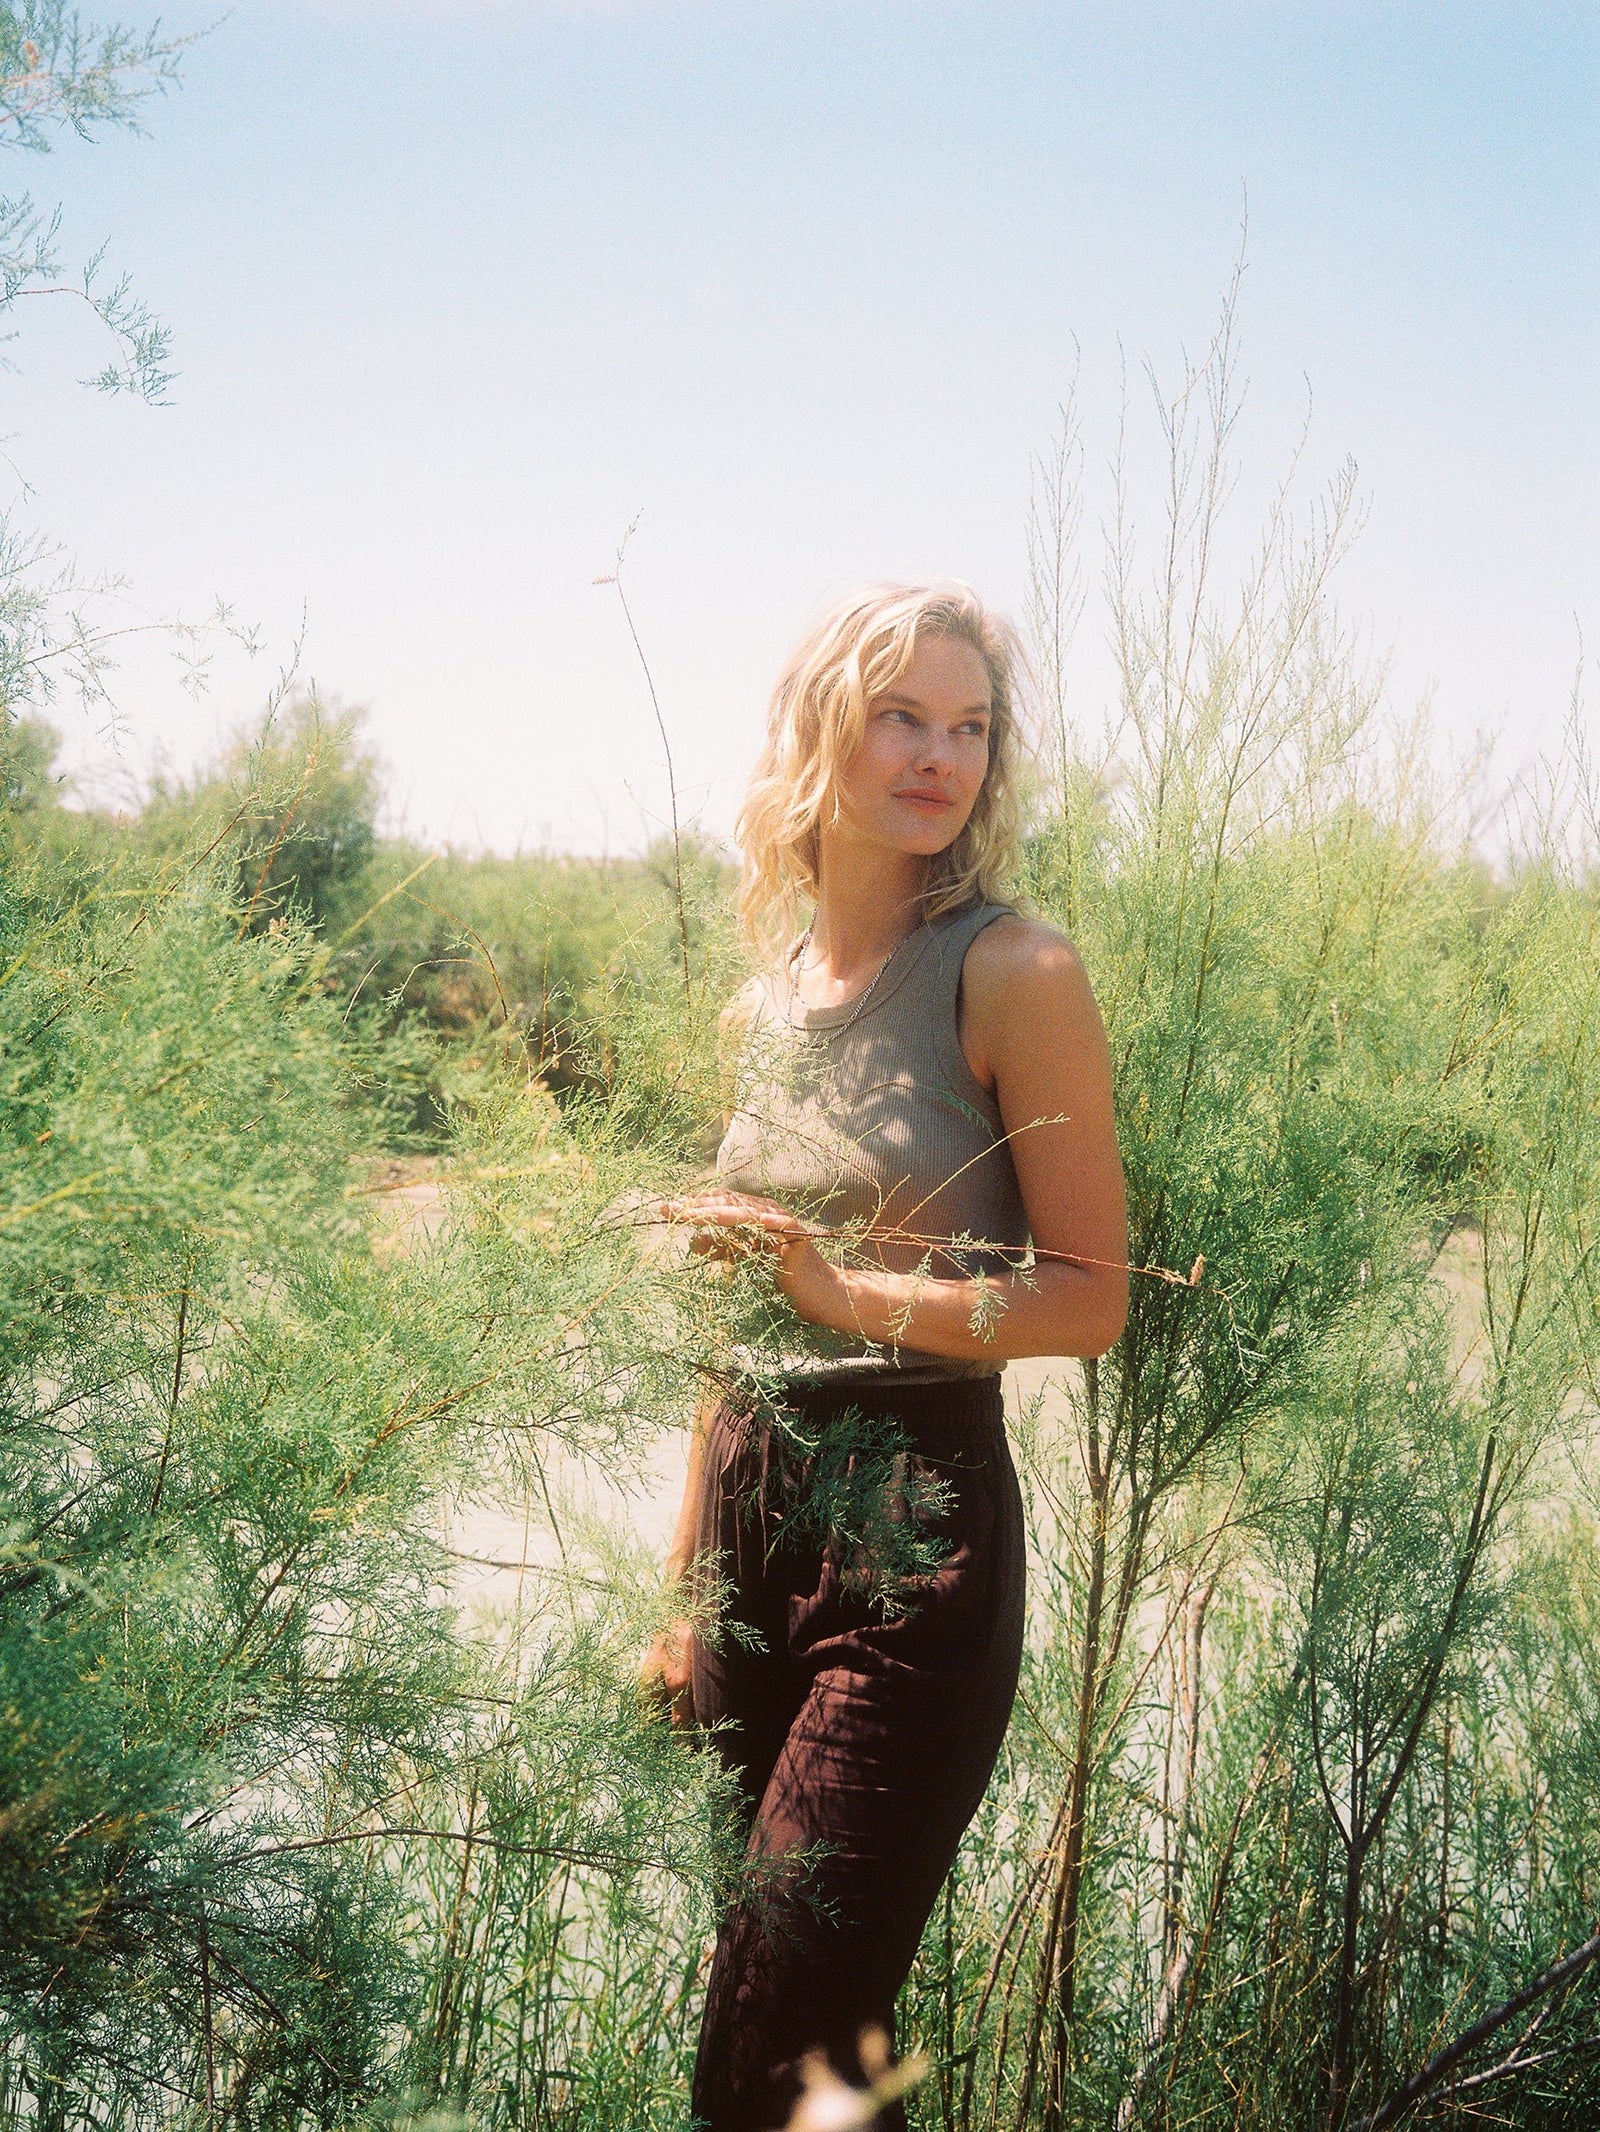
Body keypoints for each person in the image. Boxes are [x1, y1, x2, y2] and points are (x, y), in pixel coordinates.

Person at [645, 581, 1128, 2132]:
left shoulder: (1013, 972)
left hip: (913, 1536)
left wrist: (842, 1291)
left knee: (774, 2035)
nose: (941, 757)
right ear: (818, 735)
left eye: (970, 726)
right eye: (900, 717)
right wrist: (680, 1591)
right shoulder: (760, 1001)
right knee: (817, 2044)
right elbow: (736, 1319)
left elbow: (1086, 1298)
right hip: (746, 1515)